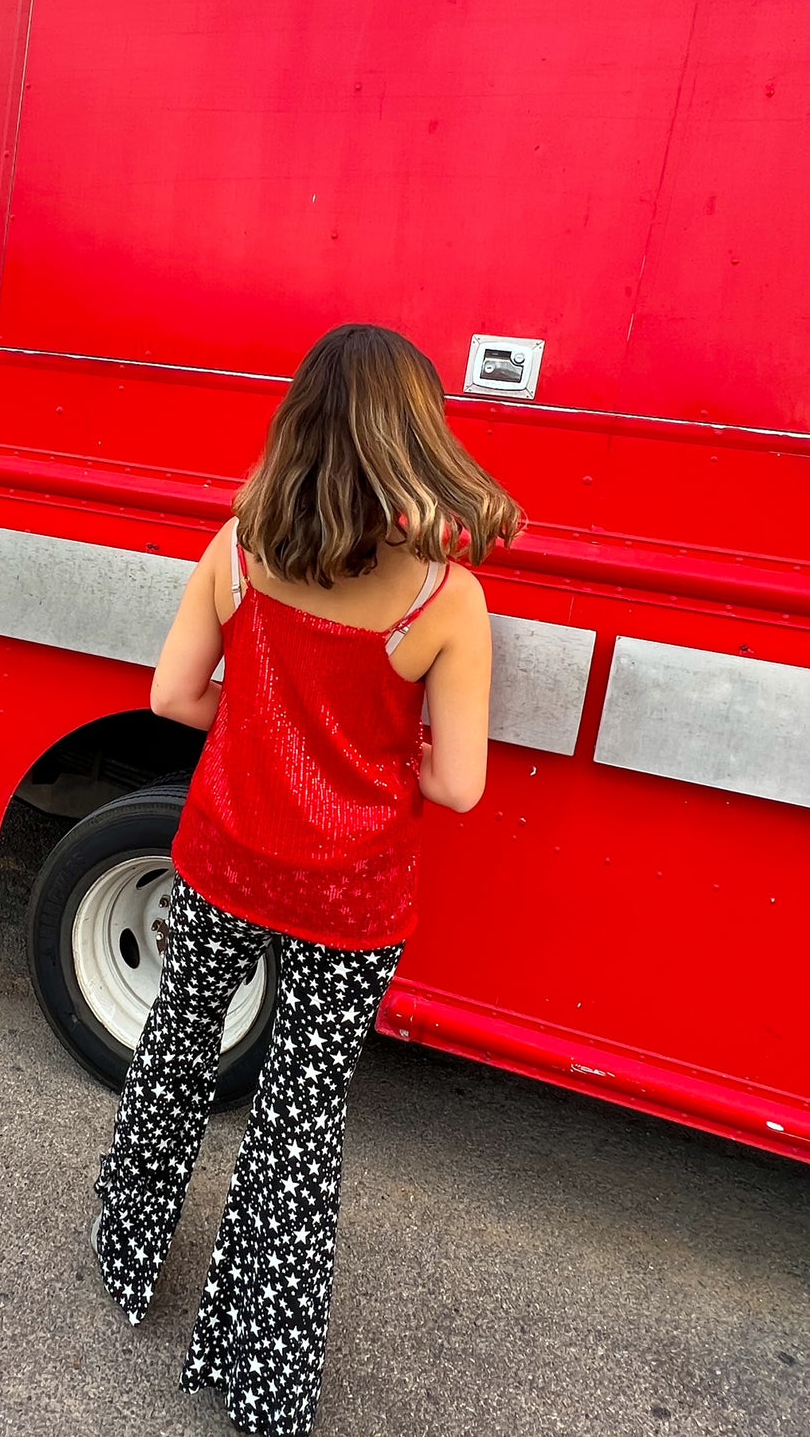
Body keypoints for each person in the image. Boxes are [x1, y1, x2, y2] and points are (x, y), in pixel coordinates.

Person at [89, 323, 523, 1435]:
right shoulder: (445, 601)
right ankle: (261, 1374)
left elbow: (173, 699)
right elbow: (463, 785)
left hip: (222, 860)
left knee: (178, 1046)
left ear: (298, 424)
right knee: (298, 1119)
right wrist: (380, 758)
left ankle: (130, 1251)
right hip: (352, 897)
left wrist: (263, 736)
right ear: (412, 438)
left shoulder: (236, 548)